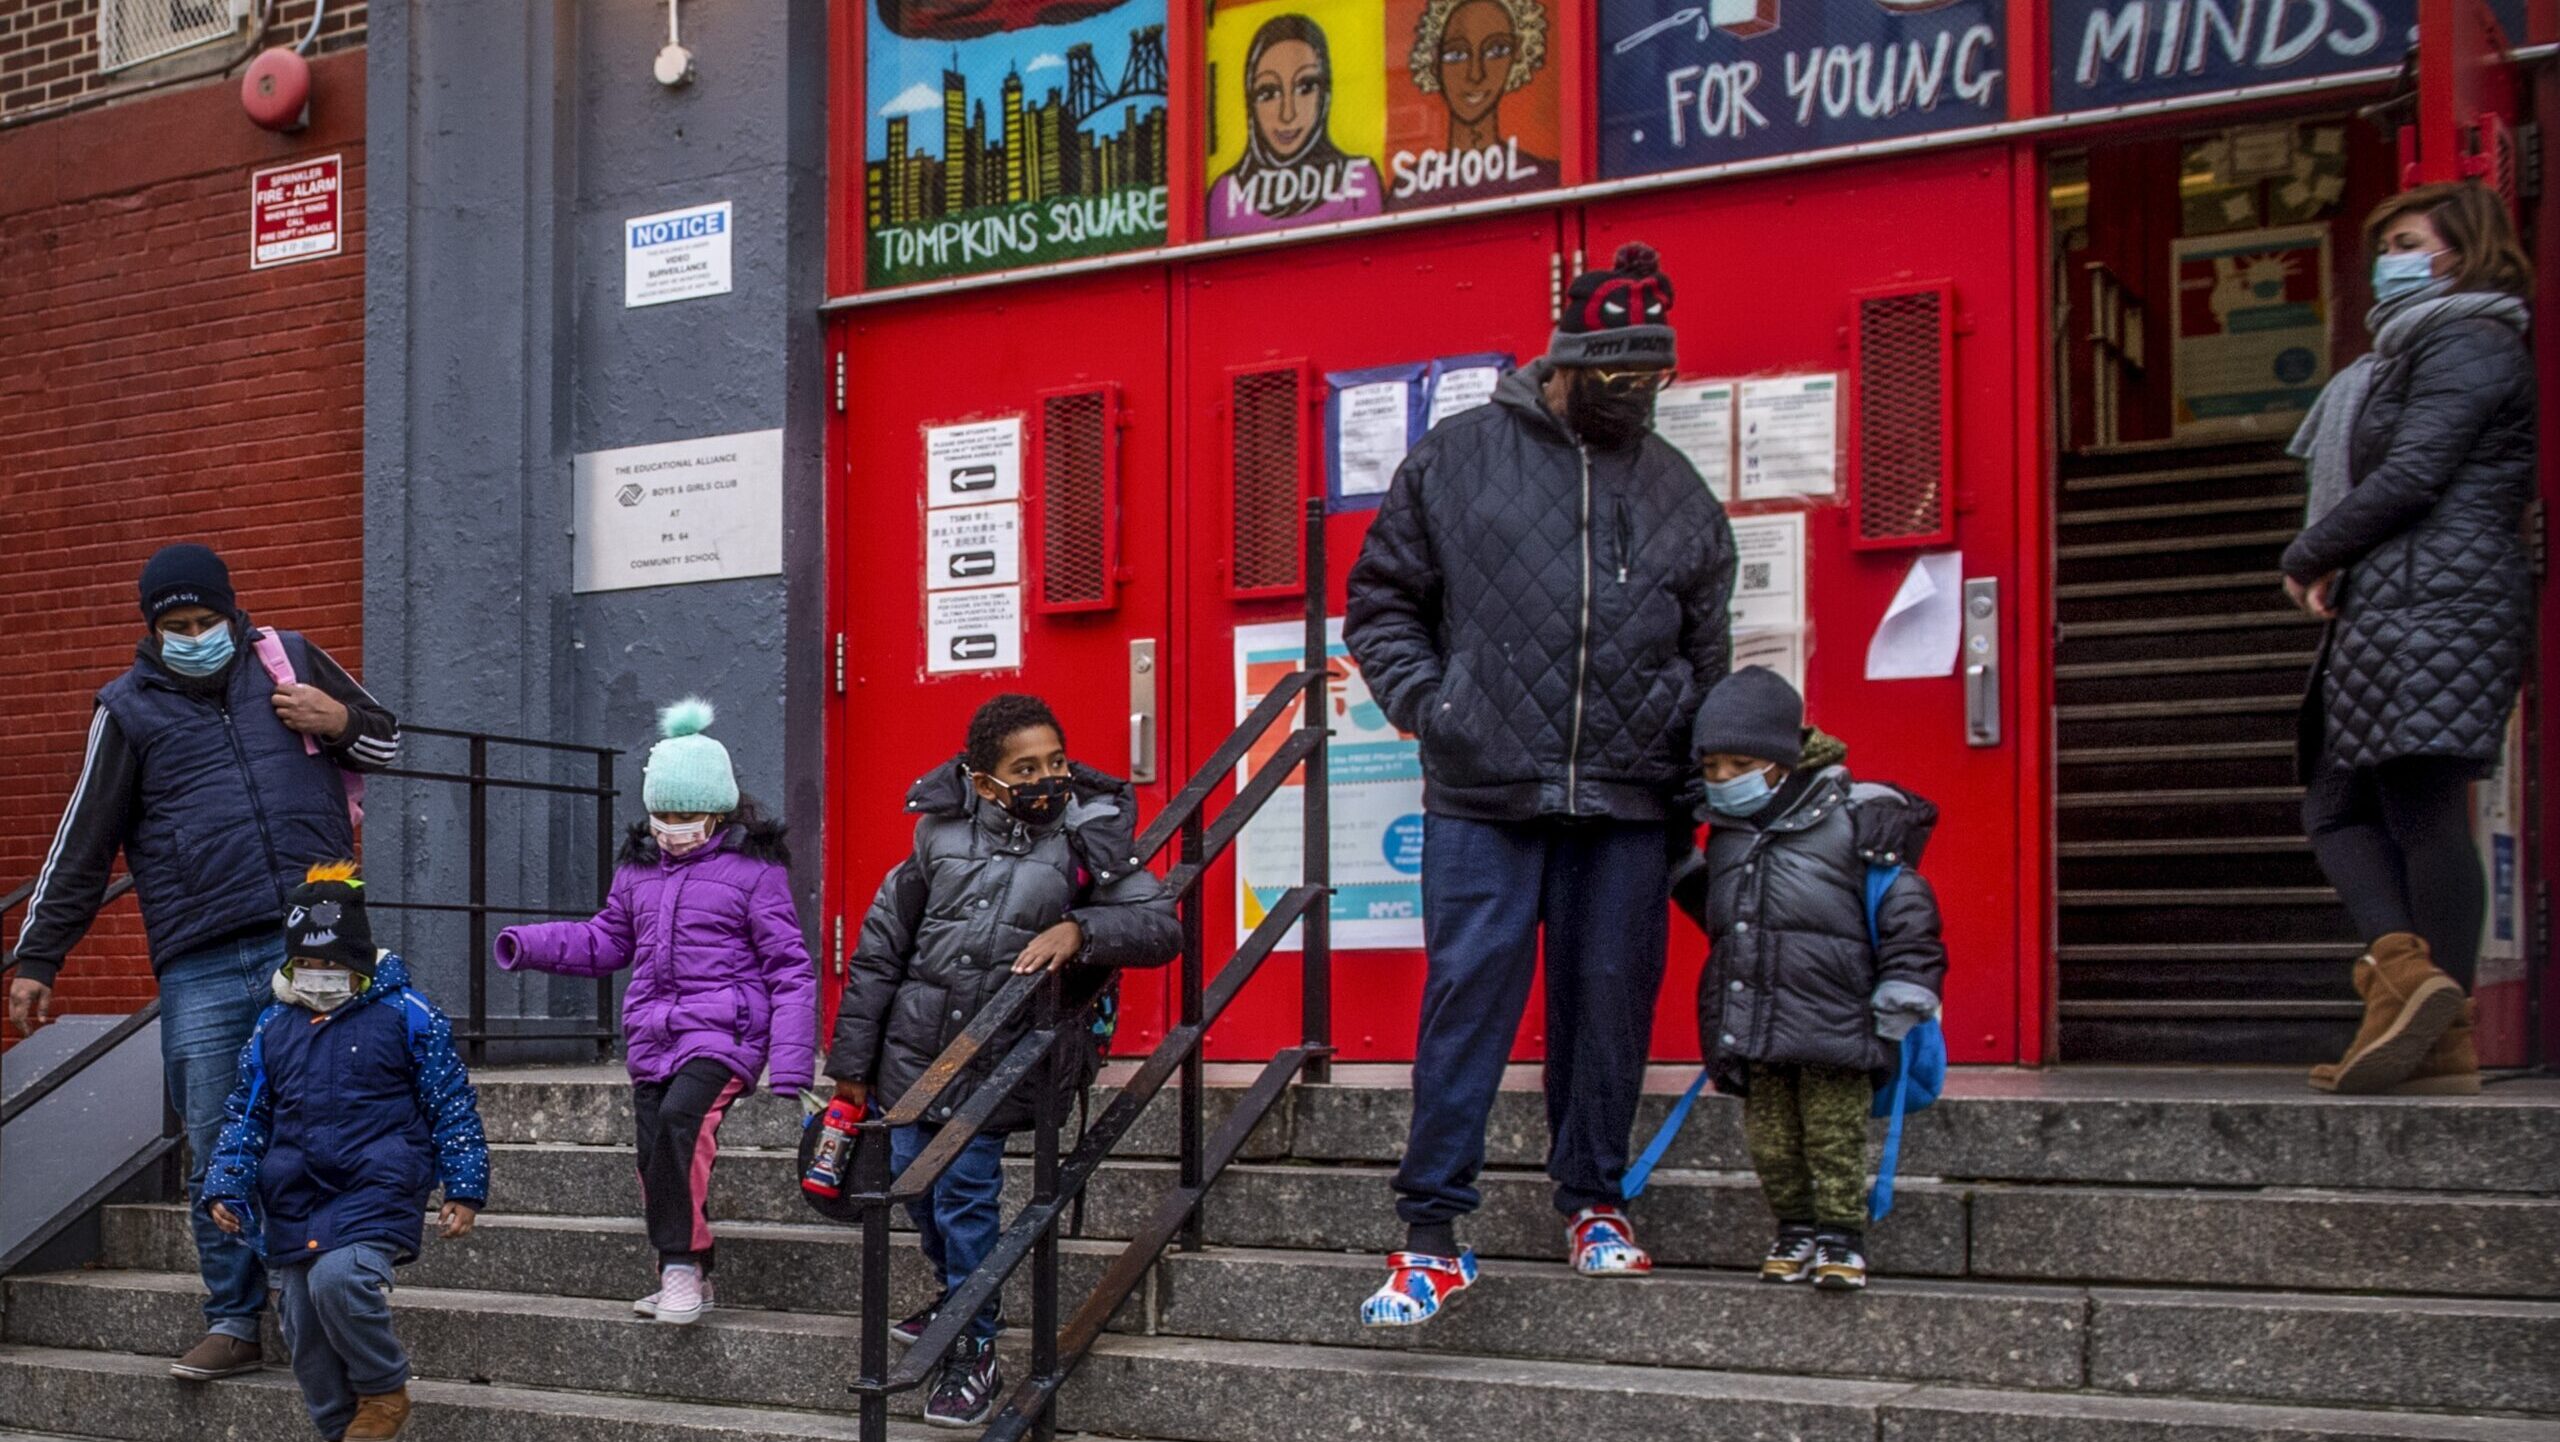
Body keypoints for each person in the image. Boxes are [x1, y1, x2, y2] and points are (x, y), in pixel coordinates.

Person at [1345, 242, 1735, 1327]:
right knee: (1468, 997)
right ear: (1562, 361)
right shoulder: (1456, 458)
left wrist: (1700, 792)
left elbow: (1706, 650)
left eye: (1652, 376)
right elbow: (1381, 602)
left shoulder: (1677, 488)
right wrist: (1435, 707)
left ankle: (1595, 1202)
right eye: (1616, 374)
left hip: (1632, 795)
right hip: (1485, 787)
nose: (1635, 395)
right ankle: (1431, 1232)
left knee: (1609, 1005)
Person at [5, 542, 400, 1381]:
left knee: (336, 1120)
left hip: (316, 932)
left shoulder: (290, 659)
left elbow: (387, 743)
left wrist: (338, 722)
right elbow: (84, 841)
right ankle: (233, 1319)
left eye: (205, 620)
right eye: (175, 626)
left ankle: (331, 1303)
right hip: (201, 955)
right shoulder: (127, 708)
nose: (193, 636)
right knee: (220, 1140)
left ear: (231, 611)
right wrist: (39, 955)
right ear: (151, 630)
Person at [825, 694, 1178, 1427]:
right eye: (1025, 768)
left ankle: (973, 1347)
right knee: (912, 1183)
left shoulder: (1088, 834)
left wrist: (1081, 930)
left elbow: (1158, 926)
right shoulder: (937, 834)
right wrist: (852, 1065)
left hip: (1003, 1057)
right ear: (983, 781)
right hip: (915, 1055)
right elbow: (881, 950)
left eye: (1056, 761)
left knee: (963, 1195)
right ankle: (957, 1293)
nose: (1046, 778)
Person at [2282, 181, 2535, 1096]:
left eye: (2407, 241)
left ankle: (2430, 1012)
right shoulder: (2410, 353)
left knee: (2412, 806)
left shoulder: (2471, 340)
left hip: (2439, 598)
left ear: (2461, 250)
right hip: (2404, 596)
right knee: (2346, 804)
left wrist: (2311, 551)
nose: (2389, 259)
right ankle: (2417, 994)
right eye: (2384, 244)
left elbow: (2418, 469)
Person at [494, 699, 818, 1325]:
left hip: (725, 1034)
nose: (671, 827)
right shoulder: (637, 873)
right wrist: (529, 944)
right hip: (653, 1037)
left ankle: (678, 1265)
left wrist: (791, 1061)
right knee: (654, 1157)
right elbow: (606, 940)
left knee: (680, 1123)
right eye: (661, 815)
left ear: (718, 812)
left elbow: (790, 968)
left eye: (686, 816)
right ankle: (696, 1271)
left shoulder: (754, 874)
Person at [1672, 667, 1945, 1291]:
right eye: (1711, 767)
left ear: (1782, 759)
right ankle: (1794, 1227)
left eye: (1740, 765)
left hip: (1838, 1021)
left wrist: (1908, 980)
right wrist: (1682, 871)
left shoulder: (1853, 820)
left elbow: (1905, 906)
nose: (1724, 779)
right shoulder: (1728, 834)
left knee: (1833, 1138)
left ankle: (1841, 1236)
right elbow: (1724, 914)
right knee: (1770, 1143)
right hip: (1757, 1021)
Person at [201, 863, 488, 1441]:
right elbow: (247, 1113)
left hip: (377, 1185)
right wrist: (227, 1182)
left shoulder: (407, 1015)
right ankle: (339, 1427)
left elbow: (450, 1104)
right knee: (300, 1318)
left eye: (331, 965)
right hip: (295, 1194)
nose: (318, 976)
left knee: (340, 1281)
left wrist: (464, 1186)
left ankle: (383, 1390)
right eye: (306, 965)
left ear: (358, 961)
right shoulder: (272, 1027)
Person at [1207, 14, 1385, 235]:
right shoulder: (1226, 195)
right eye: (1268, 93)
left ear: (1324, 95)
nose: (1287, 114)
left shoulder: (1358, 180)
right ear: (1250, 102)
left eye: (1305, 88)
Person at [1390, 0, 1557, 209]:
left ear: (1519, 55)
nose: (1475, 74)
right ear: (1433, 63)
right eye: (1455, 55)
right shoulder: (1408, 191)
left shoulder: (1544, 178)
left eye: (1496, 50)